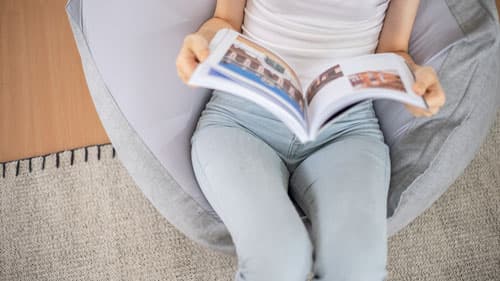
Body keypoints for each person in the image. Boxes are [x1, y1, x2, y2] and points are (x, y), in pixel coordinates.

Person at [175, 1, 446, 280]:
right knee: (281, 257)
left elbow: (393, 50)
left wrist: (413, 81)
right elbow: (225, 20)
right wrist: (203, 43)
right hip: (241, 119)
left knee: (356, 268)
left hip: (345, 130)